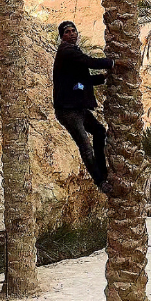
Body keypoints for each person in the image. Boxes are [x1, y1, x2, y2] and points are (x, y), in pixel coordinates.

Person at [53, 20, 115, 195]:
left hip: (78, 107)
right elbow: (89, 62)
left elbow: (81, 82)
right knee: (85, 146)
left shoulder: (73, 53)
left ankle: (103, 172)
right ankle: (100, 181)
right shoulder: (66, 51)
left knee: (99, 131)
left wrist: (103, 78)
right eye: (67, 32)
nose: (72, 34)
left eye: (74, 31)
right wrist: (112, 63)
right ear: (62, 37)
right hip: (67, 111)